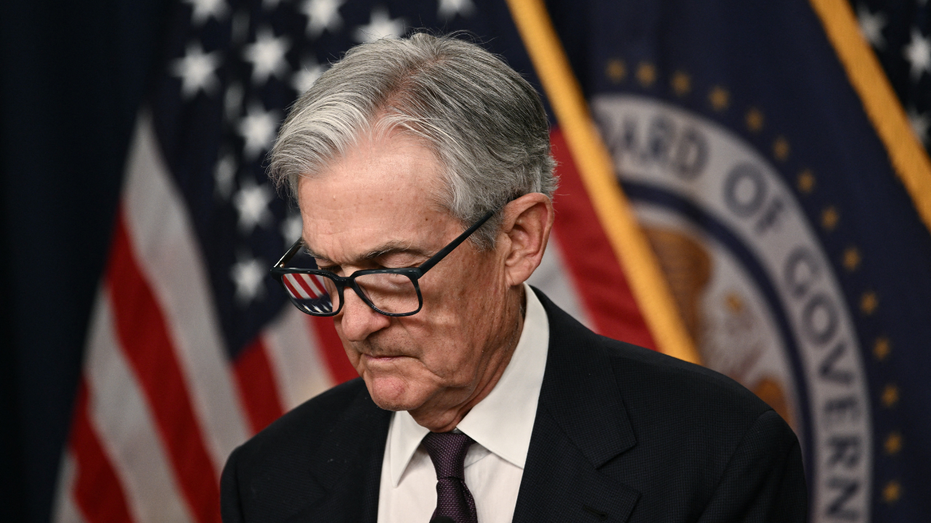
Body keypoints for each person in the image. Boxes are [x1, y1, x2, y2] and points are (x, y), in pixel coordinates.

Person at [220, 33, 807, 522]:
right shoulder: (268, 481)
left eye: (393, 271)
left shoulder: (718, 456)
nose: (354, 322)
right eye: (329, 275)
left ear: (519, 240)